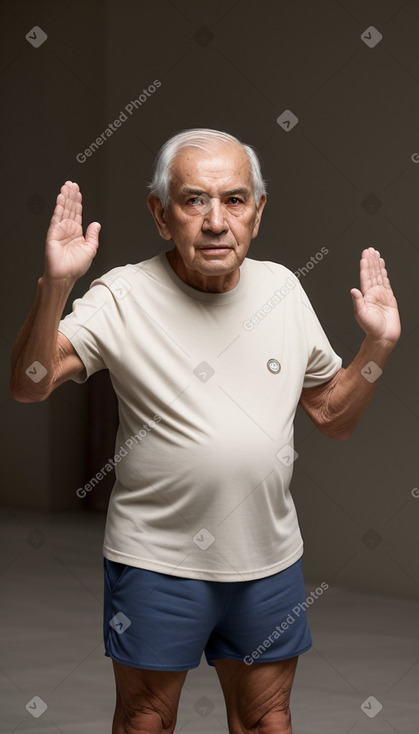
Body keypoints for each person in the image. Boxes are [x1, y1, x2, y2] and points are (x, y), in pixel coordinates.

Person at [10, 128, 401, 734]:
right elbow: (30, 383)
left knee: (267, 720)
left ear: (258, 212)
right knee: (145, 720)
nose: (216, 221)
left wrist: (376, 345)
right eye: (194, 200)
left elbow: (332, 417)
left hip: (267, 561)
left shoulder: (283, 292)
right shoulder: (123, 294)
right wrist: (58, 286)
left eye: (235, 200)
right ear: (161, 215)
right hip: (155, 562)